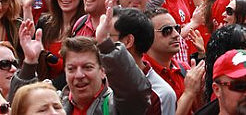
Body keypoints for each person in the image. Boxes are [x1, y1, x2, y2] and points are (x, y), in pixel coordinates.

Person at [10, 19, 152, 114]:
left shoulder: (115, 106)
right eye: (71, 69)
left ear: (103, 71)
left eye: (87, 67)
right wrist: (29, 63)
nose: (79, 75)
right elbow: (18, 107)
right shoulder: (57, 104)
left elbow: (136, 93)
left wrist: (106, 45)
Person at [37, 0, 85, 84]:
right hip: (41, 87)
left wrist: (47, 55)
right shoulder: (45, 23)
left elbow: (74, 69)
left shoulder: (84, 26)